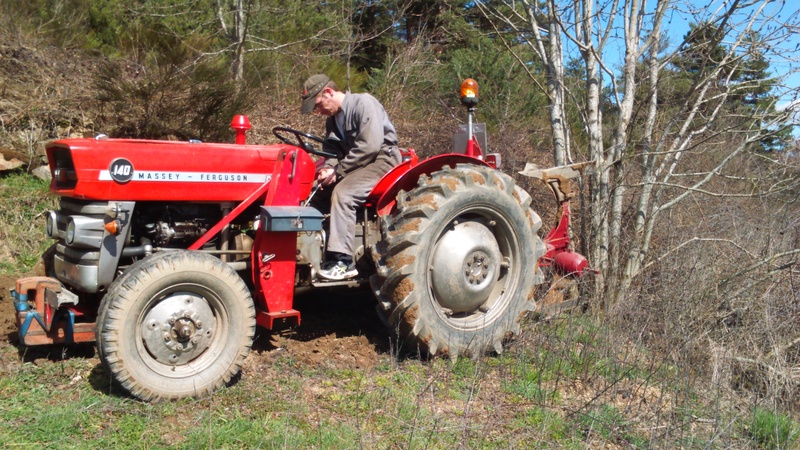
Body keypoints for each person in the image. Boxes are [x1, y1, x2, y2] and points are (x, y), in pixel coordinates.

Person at [300, 74, 401, 280]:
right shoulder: (332, 121)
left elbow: (369, 146)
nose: (318, 112)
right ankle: (308, 251)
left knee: (344, 193)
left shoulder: (363, 103)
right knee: (316, 193)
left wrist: (338, 171)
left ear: (329, 92)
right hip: (357, 163)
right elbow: (331, 151)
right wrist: (328, 168)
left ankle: (343, 262)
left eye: (318, 105)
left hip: (382, 160)